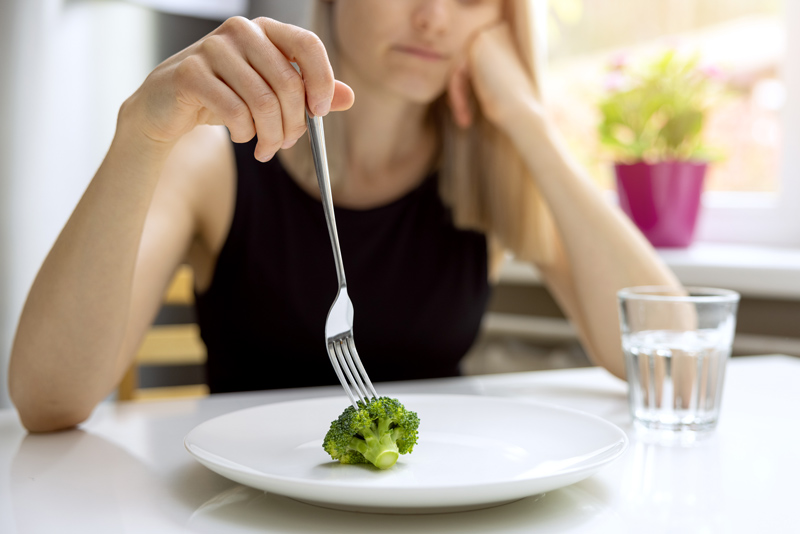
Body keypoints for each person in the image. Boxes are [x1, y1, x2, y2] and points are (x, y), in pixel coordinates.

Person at [9, 0, 678, 432]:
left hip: (440, 508)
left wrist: (528, 120)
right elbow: (47, 400)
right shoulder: (216, 162)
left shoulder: (489, 175)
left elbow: (670, 357)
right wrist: (141, 136)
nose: (435, 19)